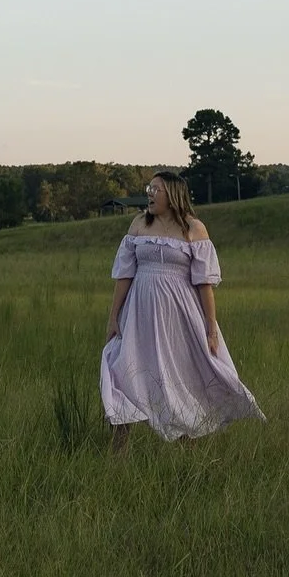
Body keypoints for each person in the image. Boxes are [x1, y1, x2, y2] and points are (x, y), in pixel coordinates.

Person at [100, 169, 263, 453]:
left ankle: (189, 451)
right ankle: (118, 451)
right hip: (139, 314)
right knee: (121, 370)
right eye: (149, 189)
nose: (149, 194)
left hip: (179, 316)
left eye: (156, 190)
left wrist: (211, 329)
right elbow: (124, 275)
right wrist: (114, 316)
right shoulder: (139, 224)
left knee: (180, 376)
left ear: (173, 195)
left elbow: (204, 285)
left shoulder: (194, 229)